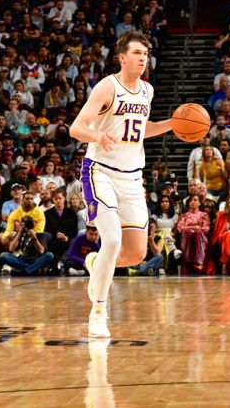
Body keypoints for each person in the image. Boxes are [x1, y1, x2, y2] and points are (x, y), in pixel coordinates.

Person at [70, 30, 173, 338]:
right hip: (100, 170)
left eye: (147, 53)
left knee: (135, 255)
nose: (144, 58)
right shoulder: (108, 87)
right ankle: (99, 311)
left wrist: (174, 125)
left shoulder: (147, 91)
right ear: (123, 57)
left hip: (131, 177)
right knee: (112, 241)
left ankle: (93, 262)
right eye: (138, 53)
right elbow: (77, 127)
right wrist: (97, 135)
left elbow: (141, 129)